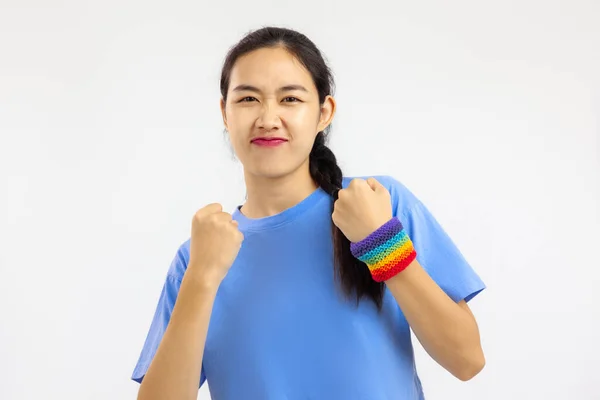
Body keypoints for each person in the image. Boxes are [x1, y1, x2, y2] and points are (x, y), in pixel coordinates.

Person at [131, 26, 486, 400]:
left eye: (290, 99)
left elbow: (467, 360)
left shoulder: (379, 203)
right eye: (248, 98)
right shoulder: (198, 257)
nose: (268, 118)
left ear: (323, 112)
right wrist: (201, 279)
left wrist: (382, 245)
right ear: (225, 112)